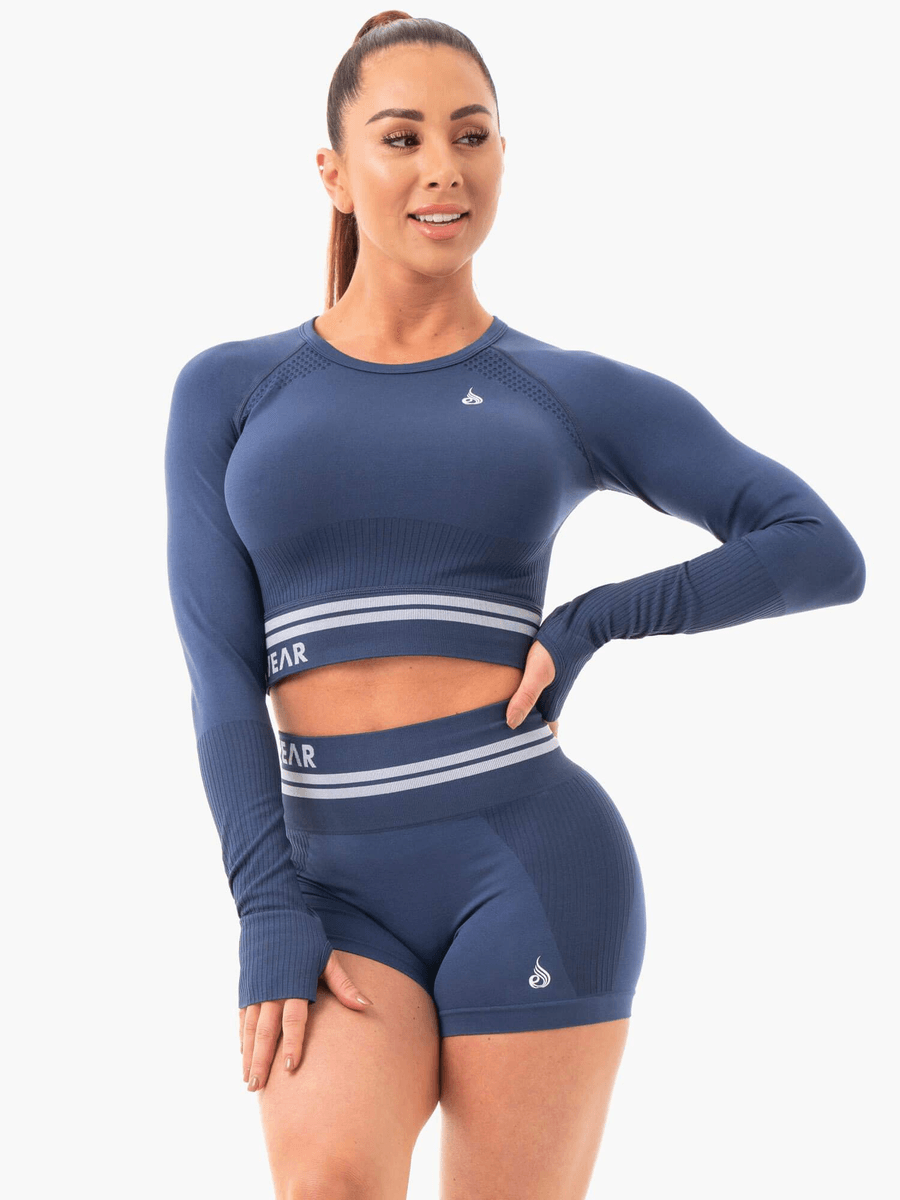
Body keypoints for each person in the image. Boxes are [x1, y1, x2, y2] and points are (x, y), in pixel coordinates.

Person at [163, 11, 866, 1198]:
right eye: (402, 138)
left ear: (502, 155)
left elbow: (816, 548)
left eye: (472, 135)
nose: (443, 167)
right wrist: (265, 900)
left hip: (532, 865)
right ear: (334, 172)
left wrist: (593, 622)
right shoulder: (232, 389)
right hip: (327, 886)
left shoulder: (557, 388)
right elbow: (218, 669)